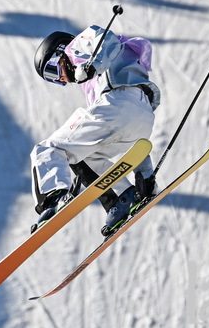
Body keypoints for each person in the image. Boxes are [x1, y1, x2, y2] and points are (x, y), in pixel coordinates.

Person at [29, 22, 161, 237]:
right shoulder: (93, 81)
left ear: (60, 51)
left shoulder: (78, 47)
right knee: (85, 158)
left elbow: (104, 39)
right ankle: (126, 195)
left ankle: (52, 199)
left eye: (54, 71)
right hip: (143, 117)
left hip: (117, 103)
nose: (61, 79)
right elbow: (136, 146)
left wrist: (90, 66)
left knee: (47, 150)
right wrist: (145, 176)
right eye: (55, 81)